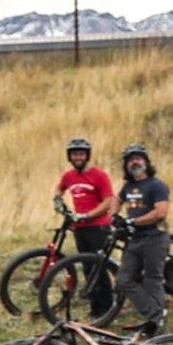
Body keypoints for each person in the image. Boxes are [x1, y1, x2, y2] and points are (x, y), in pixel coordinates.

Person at [114, 143, 173, 335]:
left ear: (146, 162)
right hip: (136, 239)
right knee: (123, 280)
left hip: (154, 238)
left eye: (138, 158)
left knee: (152, 279)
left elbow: (161, 213)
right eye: (130, 159)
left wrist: (134, 221)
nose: (134, 162)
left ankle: (158, 325)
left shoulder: (157, 185)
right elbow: (117, 199)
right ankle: (155, 314)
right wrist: (114, 215)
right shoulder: (128, 186)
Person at [56, 135, 117, 317]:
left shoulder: (99, 175)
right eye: (75, 154)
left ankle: (107, 307)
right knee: (87, 267)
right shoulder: (69, 176)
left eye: (81, 154)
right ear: (70, 156)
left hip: (98, 227)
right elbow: (59, 188)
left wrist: (88, 215)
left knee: (100, 267)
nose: (78, 158)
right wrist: (57, 200)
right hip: (80, 228)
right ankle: (95, 306)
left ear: (87, 155)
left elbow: (108, 201)